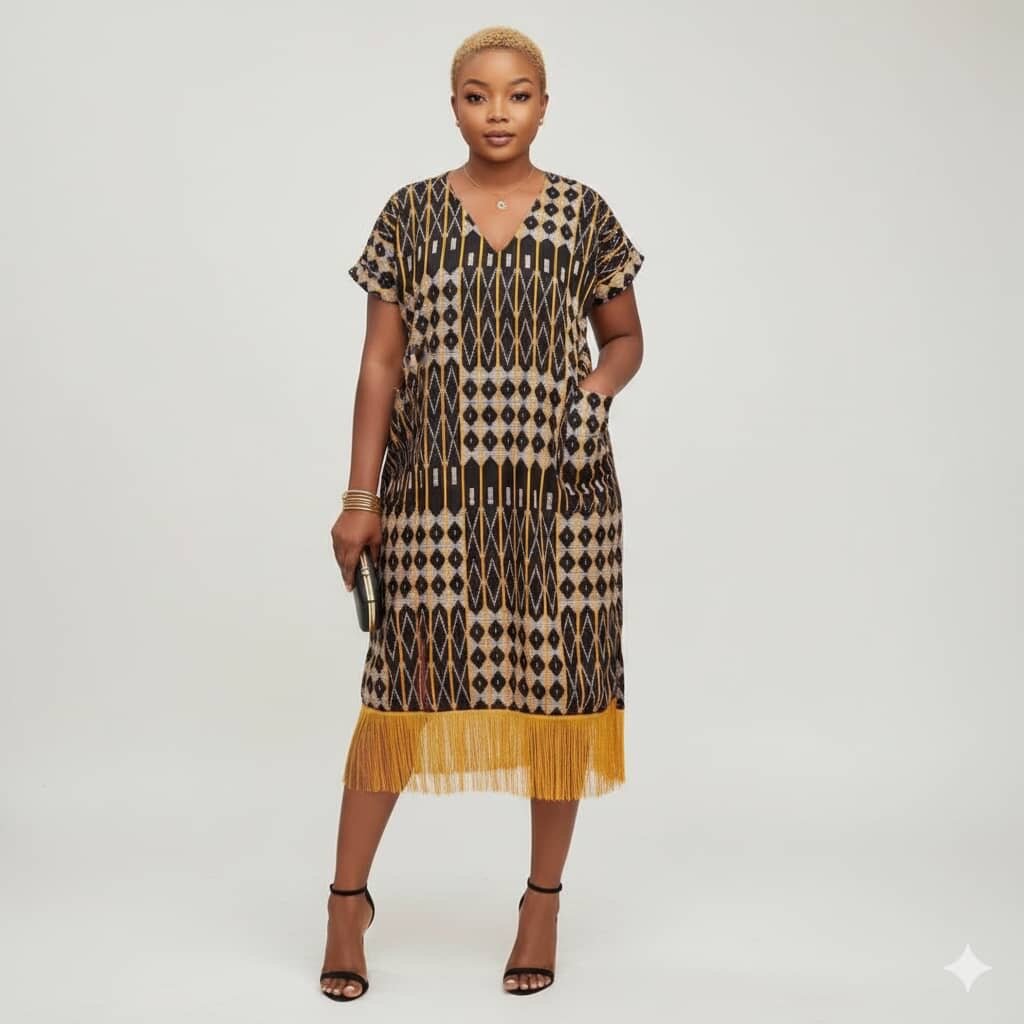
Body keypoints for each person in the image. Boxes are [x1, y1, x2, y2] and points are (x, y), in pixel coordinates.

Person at [321, 24, 645, 1001]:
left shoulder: (583, 213)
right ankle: (346, 904)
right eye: (477, 94)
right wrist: (360, 495)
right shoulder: (409, 214)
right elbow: (381, 361)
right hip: (433, 497)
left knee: (563, 700)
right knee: (399, 693)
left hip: (561, 497)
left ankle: (541, 904)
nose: (497, 112)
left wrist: (594, 392)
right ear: (454, 104)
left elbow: (624, 338)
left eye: (517, 94)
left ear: (544, 105)